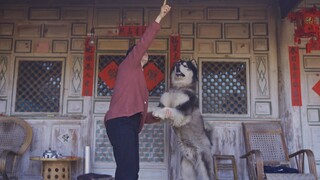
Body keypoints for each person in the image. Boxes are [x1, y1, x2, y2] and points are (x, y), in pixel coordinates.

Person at [104, 2, 171, 180]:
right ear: (133, 55)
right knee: (129, 171)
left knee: (131, 170)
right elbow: (143, 43)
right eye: (139, 51)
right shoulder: (128, 65)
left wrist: (160, 115)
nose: (144, 51)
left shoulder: (138, 77)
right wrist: (159, 17)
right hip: (121, 123)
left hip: (127, 124)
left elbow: (138, 114)